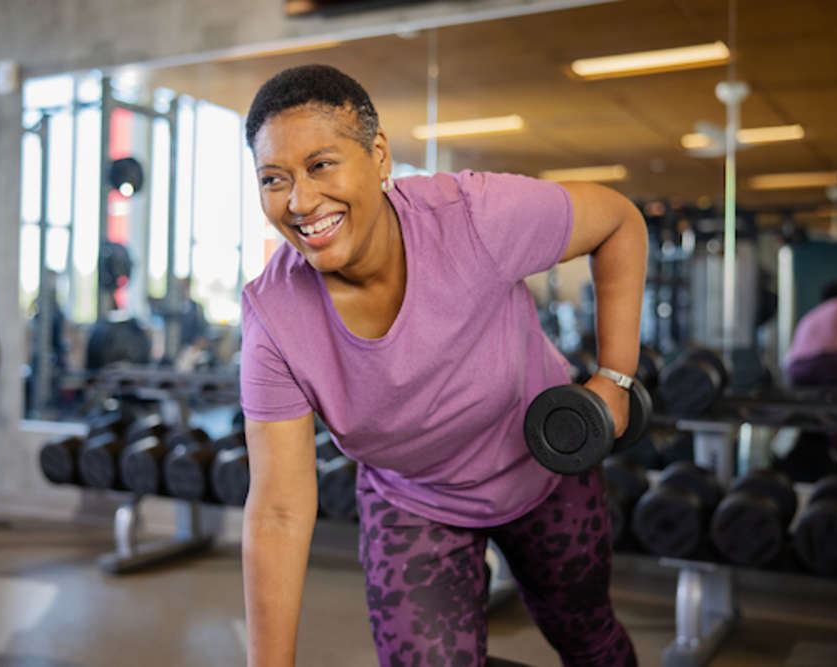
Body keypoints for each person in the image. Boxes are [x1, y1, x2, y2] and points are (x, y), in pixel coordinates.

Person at [239, 64, 646, 667]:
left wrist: (614, 377)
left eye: (321, 165)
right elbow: (277, 511)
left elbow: (619, 221)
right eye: (274, 179)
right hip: (412, 501)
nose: (300, 201)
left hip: (543, 470)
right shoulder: (274, 317)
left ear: (379, 157)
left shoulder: (473, 217)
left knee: (588, 639)